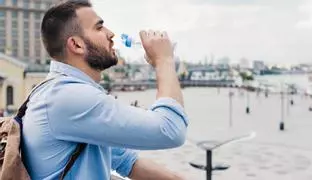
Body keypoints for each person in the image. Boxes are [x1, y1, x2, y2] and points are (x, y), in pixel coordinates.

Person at [22, 0, 188, 180]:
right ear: (76, 45)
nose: (111, 34)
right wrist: (164, 61)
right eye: (99, 28)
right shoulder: (68, 97)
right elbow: (171, 129)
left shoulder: (60, 91)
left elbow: (126, 161)